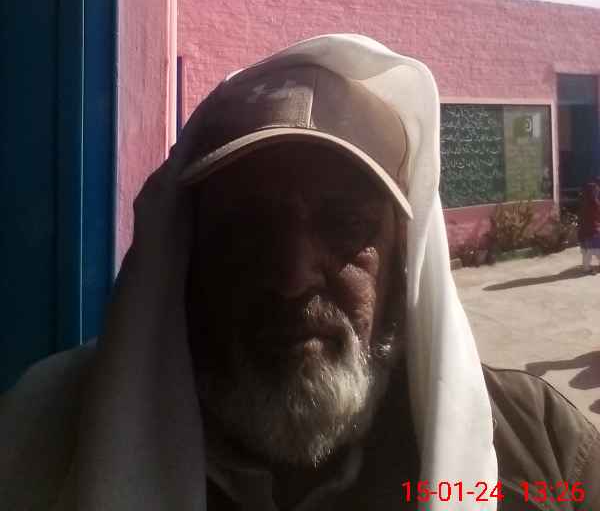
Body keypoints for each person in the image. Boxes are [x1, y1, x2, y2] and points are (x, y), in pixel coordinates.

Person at [1, 34, 599, 511]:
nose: (292, 277)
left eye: (345, 226)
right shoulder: (42, 435)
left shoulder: (543, 449)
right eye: (247, 229)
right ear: (188, 254)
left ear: (401, 257)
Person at [578, 176, 600, 273]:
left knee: (586, 250)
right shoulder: (594, 203)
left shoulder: (583, 202)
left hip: (583, 229)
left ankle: (586, 267)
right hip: (592, 229)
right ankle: (586, 268)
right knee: (594, 249)